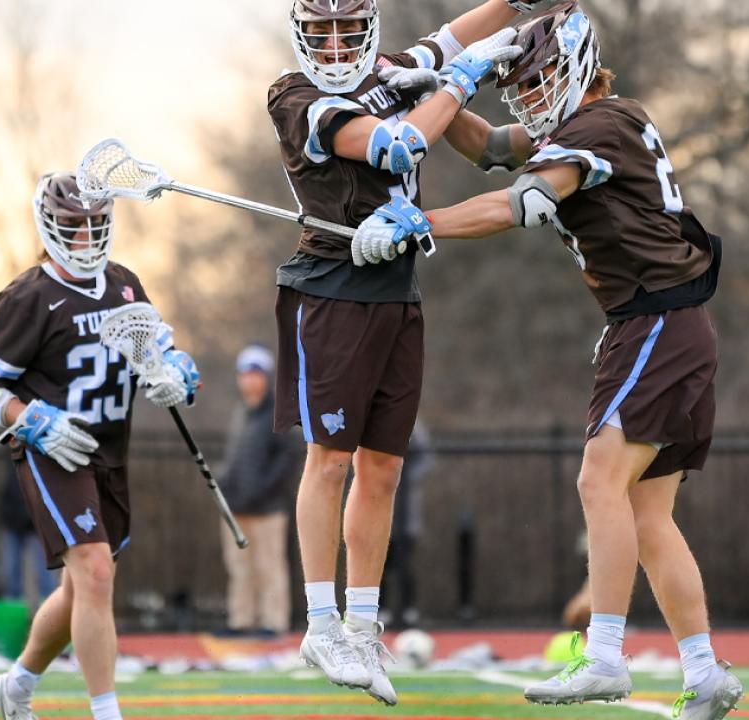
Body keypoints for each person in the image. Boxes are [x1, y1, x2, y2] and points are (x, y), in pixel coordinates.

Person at [350, 4, 743, 718]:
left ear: (577, 70)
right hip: (668, 325)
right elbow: (499, 147)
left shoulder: (596, 127)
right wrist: (434, 92)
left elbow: (524, 199)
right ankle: (704, 671)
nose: (530, 100)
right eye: (521, 87)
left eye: (538, 83)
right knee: (647, 513)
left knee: (599, 481)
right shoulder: (600, 118)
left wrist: (422, 221)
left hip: (655, 320)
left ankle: (602, 658)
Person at [269, 0, 553, 705]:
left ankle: (365, 626)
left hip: (398, 287)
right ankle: (321, 621)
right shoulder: (294, 96)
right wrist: (460, 81)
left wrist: (511, 8)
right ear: (302, 36)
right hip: (332, 287)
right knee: (330, 458)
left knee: (385, 470)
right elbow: (395, 147)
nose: (335, 45)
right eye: (320, 32)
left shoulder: (394, 67)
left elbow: (456, 33)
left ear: (366, 29)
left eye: (345, 30)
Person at [0, 172, 199, 720]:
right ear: (49, 226)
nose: (86, 237)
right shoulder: (29, 297)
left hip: (111, 450)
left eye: (96, 224)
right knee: (95, 572)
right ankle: (106, 712)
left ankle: (16, 685)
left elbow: (164, 352)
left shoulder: (124, 283)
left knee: (80, 588)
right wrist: (32, 420)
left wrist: (178, 377)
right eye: (74, 226)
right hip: (56, 450)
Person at [215, 344, 301, 637]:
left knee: (270, 567)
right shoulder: (241, 412)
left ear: (267, 377)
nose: (250, 380)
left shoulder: (279, 413)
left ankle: (272, 622)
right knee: (239, 569)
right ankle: (241, 620)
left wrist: (263, 490)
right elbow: (236, 457)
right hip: (236, 507)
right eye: (245, 374)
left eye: (256, 373)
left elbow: (289, 457)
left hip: (268, 508)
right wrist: (224, 481)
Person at [380, 421, 433, 629]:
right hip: (378, 506)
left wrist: (404, 477)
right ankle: (379, 609)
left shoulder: (413, 424)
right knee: (379, 564)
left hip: (406, 514)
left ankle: (409, 610)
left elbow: (426, 458)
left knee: (405, 564)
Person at [0, 461, 58, 603]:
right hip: (14, 525)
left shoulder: (46, 472)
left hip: (37, 528)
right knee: (11, 571)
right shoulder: (15, 470)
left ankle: (50, 607)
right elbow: (6, 499)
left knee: (45, 571)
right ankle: (12, 610)